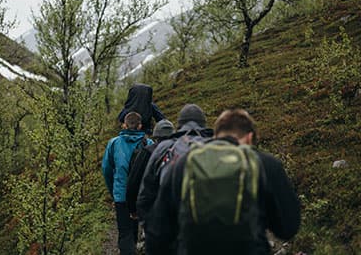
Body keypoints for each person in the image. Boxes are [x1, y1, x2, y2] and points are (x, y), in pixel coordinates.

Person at [147, 109, 301, 255]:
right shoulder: (265, 164)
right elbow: (288, 227)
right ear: (249, 137)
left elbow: (158, 232)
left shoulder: (184, 164)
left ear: (215, 136)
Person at [137, 104, 213, 255]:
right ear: (204, 124)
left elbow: (145, 198)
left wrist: (153, 233)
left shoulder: (164, 148)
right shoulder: (219, 147)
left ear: (179, 126)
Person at [102, 112, 154, 255]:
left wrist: (113, 191)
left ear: (124, 125)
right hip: (141, 196)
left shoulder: (113, 143)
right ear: (140, 126)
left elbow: (106, 169)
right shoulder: (149, 144)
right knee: (136, 228)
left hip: (122, 196)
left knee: (125, 233)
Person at [126, 119, 175, 219]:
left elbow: (134, 181)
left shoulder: (147, 152)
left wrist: (132, 209)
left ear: (156, 136)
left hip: (153, 208)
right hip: (177, 207)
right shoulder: (182, 149)